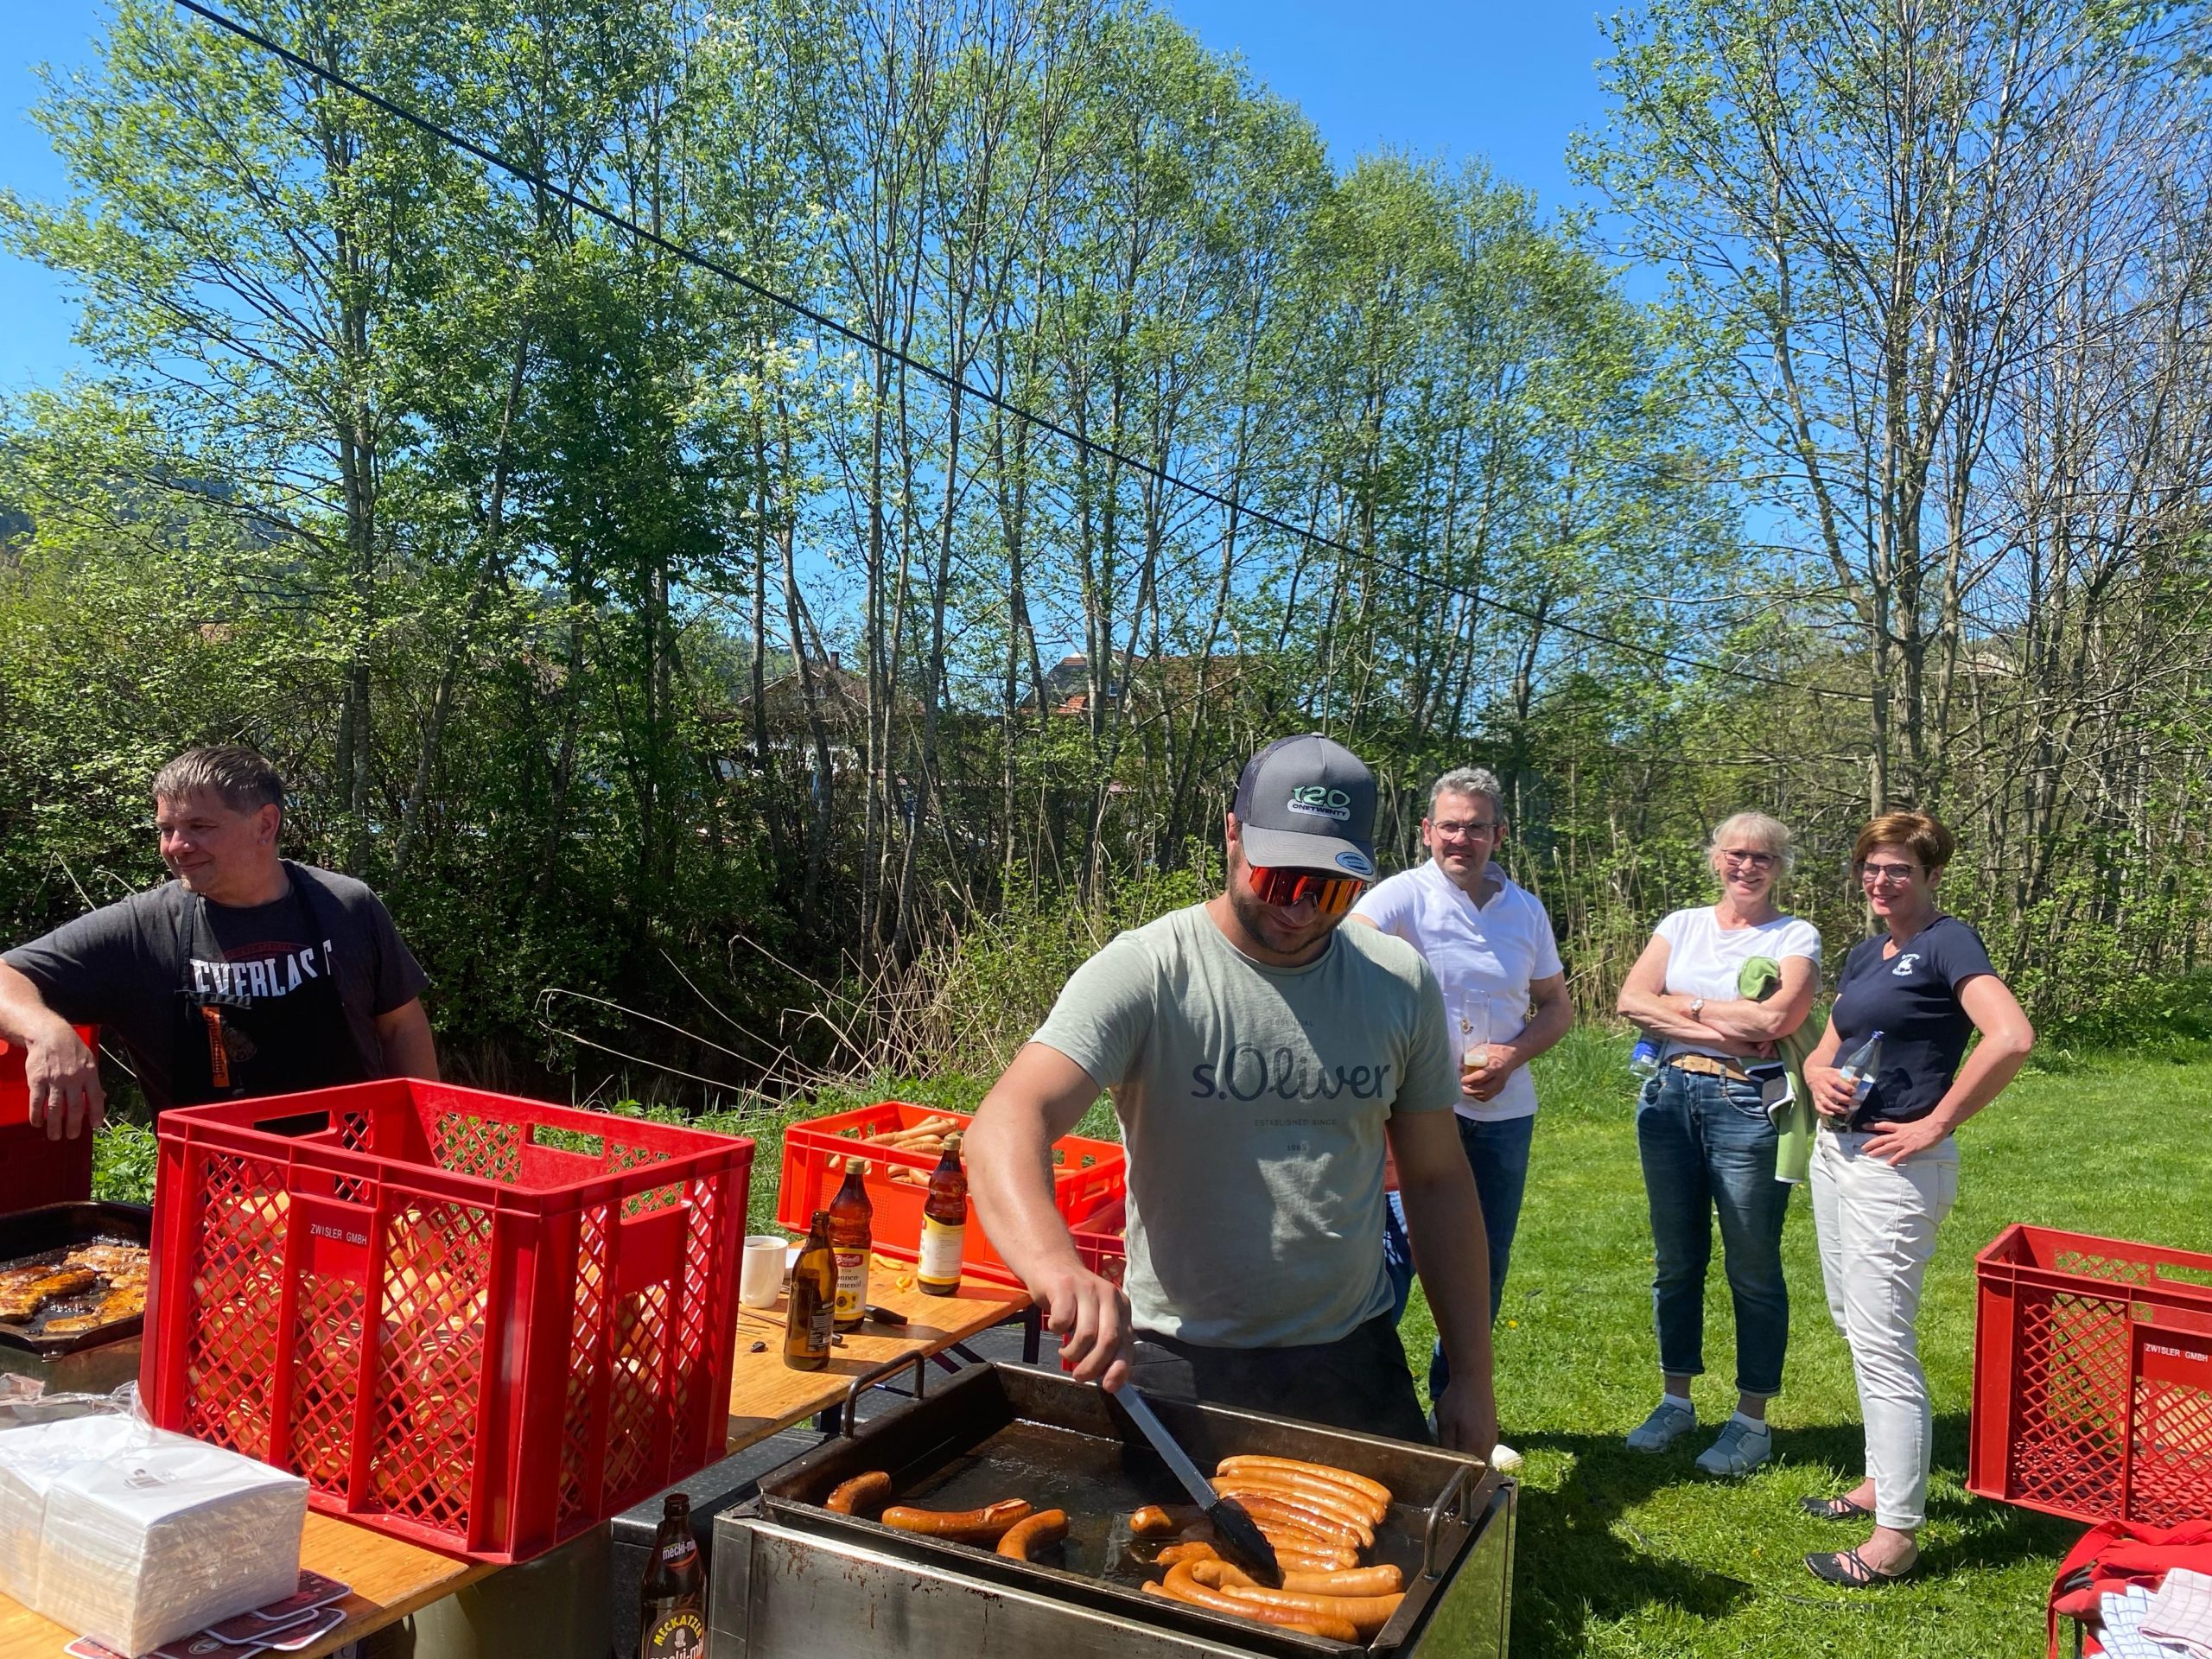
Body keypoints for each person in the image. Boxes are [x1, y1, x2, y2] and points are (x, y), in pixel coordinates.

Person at [964, 734, 1499, 1452]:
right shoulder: (1150, 971)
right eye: (1281, 878)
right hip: (1179, 1355)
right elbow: (1006, 1121)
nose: (1300, 910)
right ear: (1233, 833)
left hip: (1352, 1352)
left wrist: (1471, 1375)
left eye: (1330, 888)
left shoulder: (1397, 982)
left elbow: (1437, 1179)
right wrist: (1055, 1267)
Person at [1797, 811, 2032, 1587]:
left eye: (1899, 868)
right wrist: (1817, 1078)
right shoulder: (1869, 952)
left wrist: (1937, 1122)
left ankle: (1895, 1538)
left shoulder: (1947, 942)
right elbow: (1826, 1048)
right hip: (1837, 1153)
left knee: (1883, 1342)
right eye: (1871, 866)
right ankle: (1878, 1481)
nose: (1881, 880)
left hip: (1895, 1169)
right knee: (1853, 1323)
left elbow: (2011, 1036)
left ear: (1930, 876)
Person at [0, 746, 438, 1135]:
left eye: (199, 826)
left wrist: (423, 1142)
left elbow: (401, 1026)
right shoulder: (141, 928)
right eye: (166, 829)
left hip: (355, 1177)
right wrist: (46, 1030)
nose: (177, 845)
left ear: (265, 824)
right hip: (212, 1187)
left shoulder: (345, 905)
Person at [1351, 766, 1568, 1466]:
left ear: (1498, 835)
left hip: (1504, 1117)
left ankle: (1458, 1415)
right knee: (1391, 1260)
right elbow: (1341, 957)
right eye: (1449, 826)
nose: (1461, 839)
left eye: (1476, 827)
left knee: (1483, 1269)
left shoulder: (1524, 911)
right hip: (1418, 1112)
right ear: (1427, 831)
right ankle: (1366, 1409)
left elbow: (1557, 1007)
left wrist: (1512, 1054)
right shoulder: (1401, 897)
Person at [1615, 812, 1819, 1477]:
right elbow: (1631, 999)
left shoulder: (1795, 935)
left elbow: (1778, 1018)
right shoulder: (1681, 925)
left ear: (1779, 867)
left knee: (1752, 1265)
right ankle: (1676, 1402)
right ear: (1715, 859)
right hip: (1668, 1098)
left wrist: (1684, 1008)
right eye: (1736, 854)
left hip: (1746, 1104)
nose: (1747, 867)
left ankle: (1750, 1421)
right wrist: (1724, 1023)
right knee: (1676, 1261)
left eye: (1762, 857)